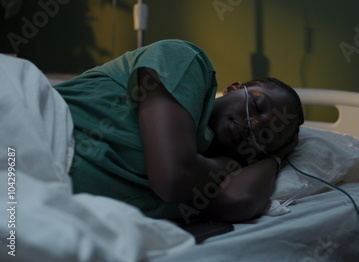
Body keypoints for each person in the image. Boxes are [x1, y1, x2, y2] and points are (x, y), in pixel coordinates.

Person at [54, 39, 304, 223]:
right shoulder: (185, 60)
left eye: (265, 137)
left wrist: (275, 158)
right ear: (233, 88)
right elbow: (173, 178)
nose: (254, 125)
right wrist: (223, 165)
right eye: (258, 106)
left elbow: (239, 201)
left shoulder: (205, 170)